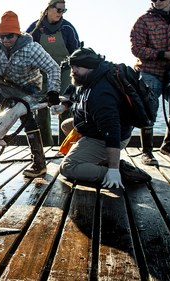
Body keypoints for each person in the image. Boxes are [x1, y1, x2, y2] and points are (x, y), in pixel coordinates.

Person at [0, 11, 61, 178]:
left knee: (25, 116)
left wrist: (53, 91)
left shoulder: (32, 49)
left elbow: (53, 68)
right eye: (1, 36)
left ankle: (39, 163)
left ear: (17, 34)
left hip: (28, 85)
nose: (5, 40)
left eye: (9, 36)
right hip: (8, 85)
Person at [59, 47, 133, 188]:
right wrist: (64, 106)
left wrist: (113, 170)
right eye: (72, 66)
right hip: (93, 128)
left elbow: (111, 131)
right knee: (66, 125)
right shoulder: (88, 78)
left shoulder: (101, 94)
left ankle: (119, 173)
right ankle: (96, 159)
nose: (73, 71)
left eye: (78, 67)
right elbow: (73, 92)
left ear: (90, 67)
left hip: (107, 137)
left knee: (68, 167)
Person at [26, 0, 81, 146]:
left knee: (65, 109)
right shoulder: (35, 28)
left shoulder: (68, 28)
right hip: (41, 75)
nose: (61, 13)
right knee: (42, 112)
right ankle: (45, 146)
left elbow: (76, 53)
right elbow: (25, 50)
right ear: (49, 8)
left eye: (64, 10)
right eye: (58, 10)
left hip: (64, 74)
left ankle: (66, 147)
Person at [130, 0, 170, 164]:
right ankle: (147, 152)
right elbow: (137, 49)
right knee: (148, 112)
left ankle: (168, 145)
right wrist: (163, 55)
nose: (158, 1)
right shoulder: (143, 21)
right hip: (150, 71)